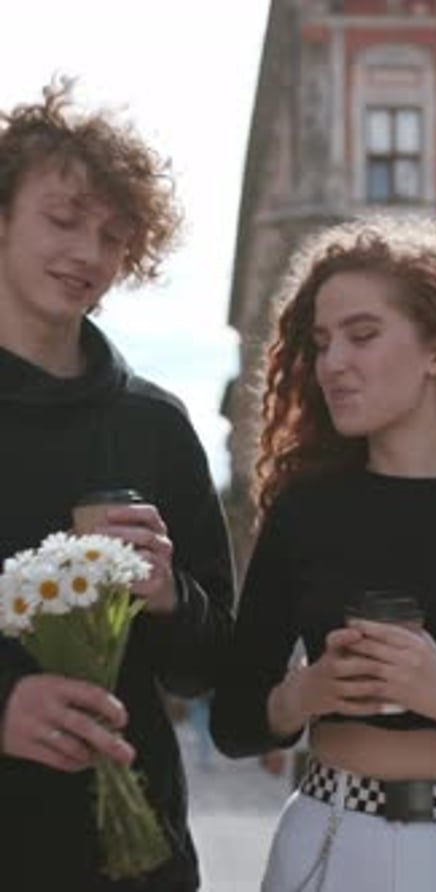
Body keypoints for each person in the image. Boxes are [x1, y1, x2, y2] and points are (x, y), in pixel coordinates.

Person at [210, 214, 436, 891]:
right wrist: (304, 693)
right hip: (329, 841)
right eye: (321, 342)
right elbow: (233, 720)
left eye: (362, 335)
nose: (332, 362)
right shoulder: (304, 511)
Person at [0, 78, 235, 892]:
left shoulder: (158, 425)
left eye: (112, 236)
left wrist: (173, 597)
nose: (87, 255)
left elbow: (211, 669)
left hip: (136, 862)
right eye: (63, 220)